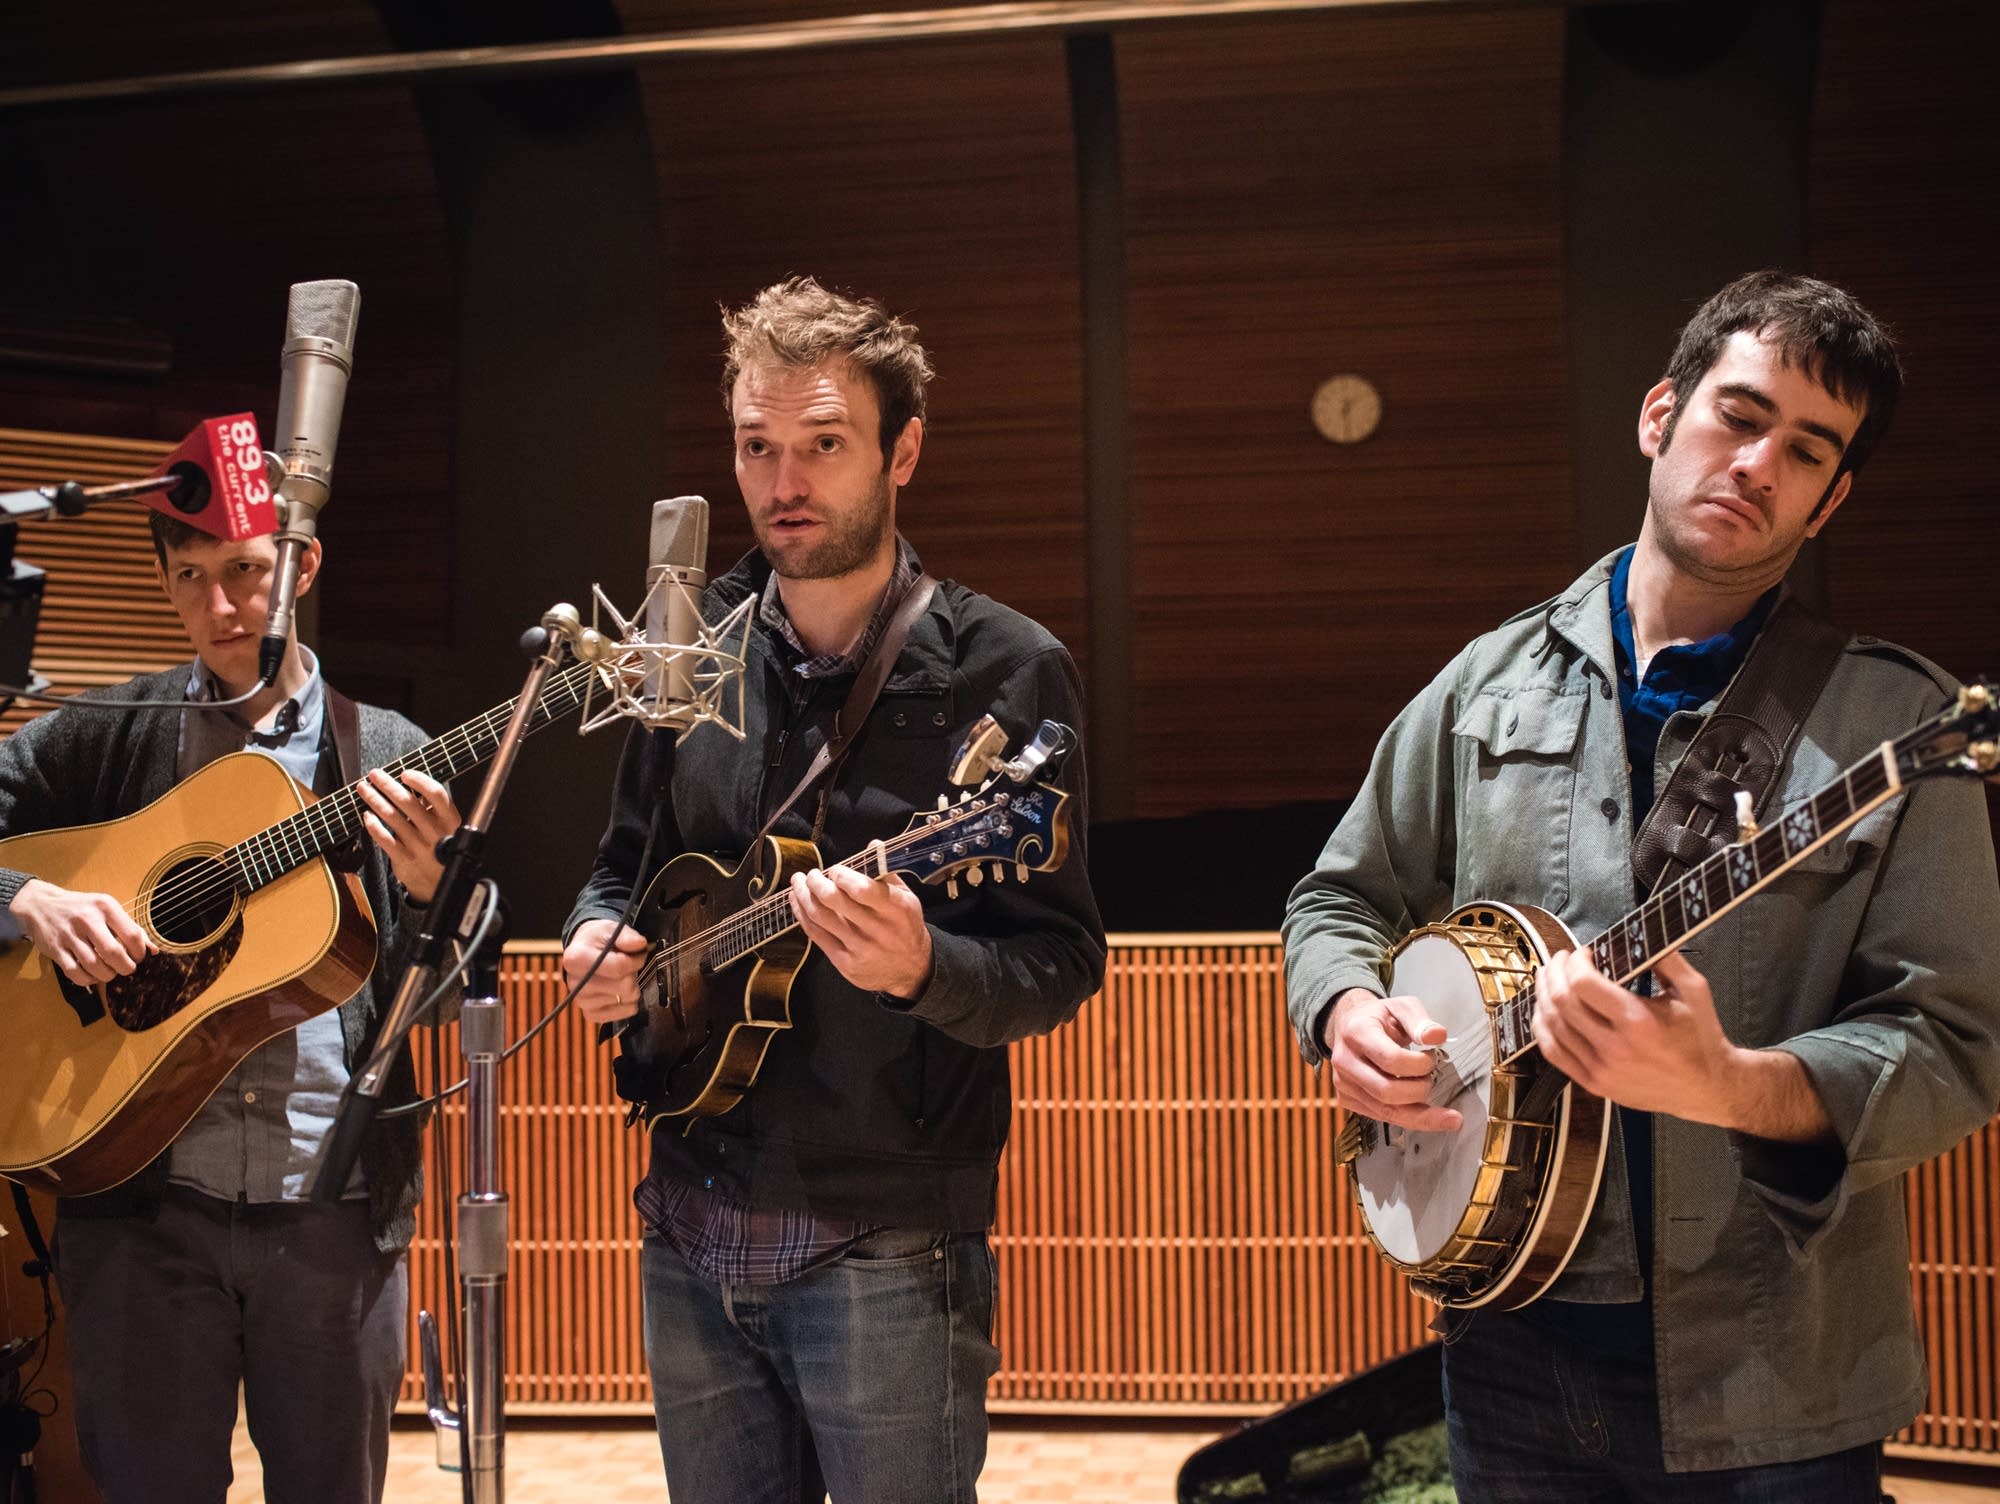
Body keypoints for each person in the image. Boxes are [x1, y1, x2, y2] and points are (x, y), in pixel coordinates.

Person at [1282, 271, 2000, 1500]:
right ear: (1658, 414)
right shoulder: (1480, 683)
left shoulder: (1897, 723)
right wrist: (1347, 1015)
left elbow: (1957, 1046)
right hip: (1508, 1332)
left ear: (1828, 502)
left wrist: (1734, 1085)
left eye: (1805, 450)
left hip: (1782, 1362)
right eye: (1737, 413)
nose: (1756, 463)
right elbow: (1336, 898)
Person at [564, 275, 1106, 1504]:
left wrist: (926, 968)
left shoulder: (1007, 668)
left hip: (889, 1238)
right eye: (757, 447)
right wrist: (596, 933)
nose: (782, 482)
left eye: (822, 444)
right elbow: (623, 863)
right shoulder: (684, 644)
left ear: (901, 451)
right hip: (688, 1217)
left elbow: (1060, 961)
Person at [0, 511, 463, 1504]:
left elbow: (448, 999)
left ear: (303, 569)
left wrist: (431, 891)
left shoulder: (385, 751)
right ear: (164, 583)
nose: (220, 605)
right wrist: (23, 898)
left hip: (332, 1215)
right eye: (190, 576)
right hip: (141, 1213)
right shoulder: (111, 734)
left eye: (247, 571)